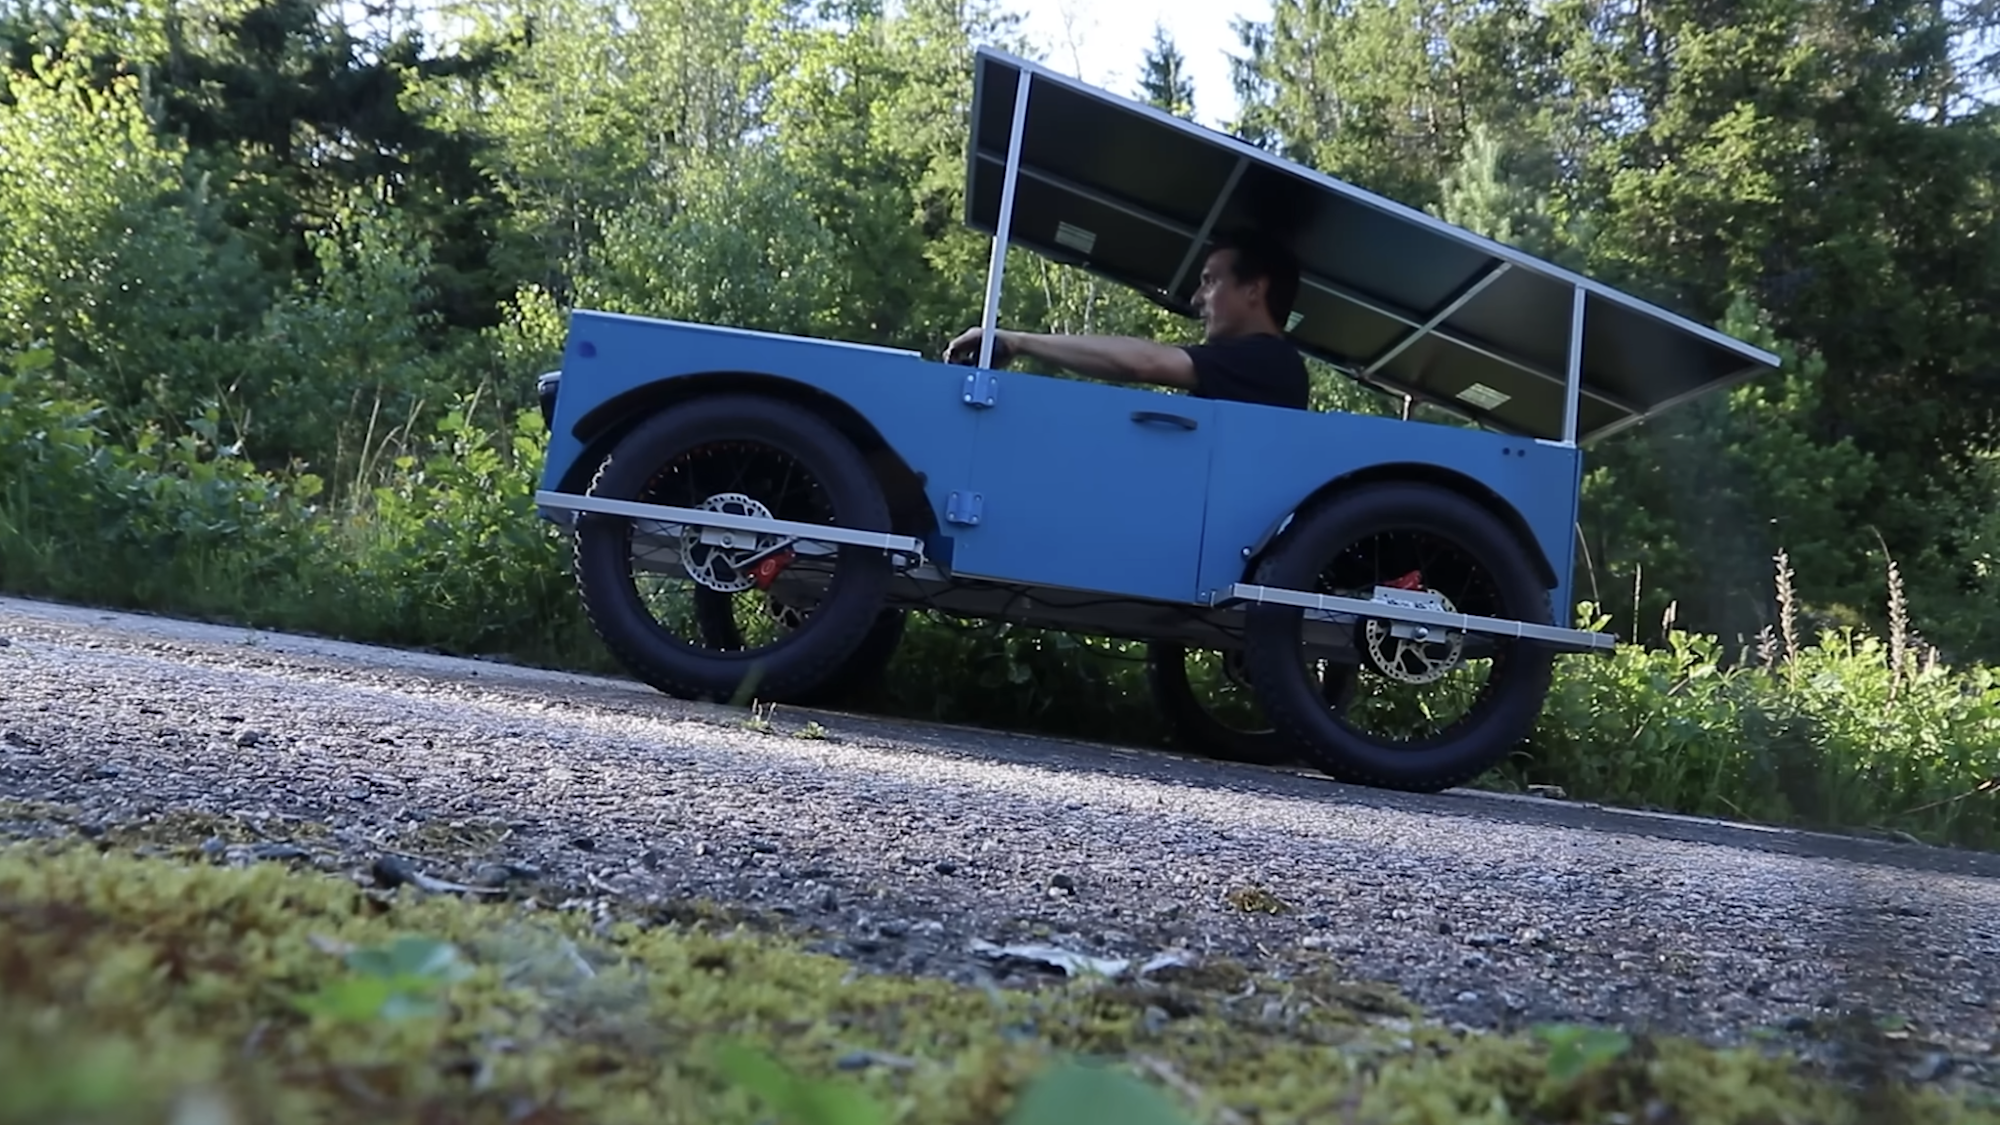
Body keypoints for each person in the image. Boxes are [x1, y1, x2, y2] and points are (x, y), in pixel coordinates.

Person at [943, 229, 1311, 410]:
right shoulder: (1255, 365)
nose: (1198, 299)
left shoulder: (1270, 362)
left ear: (1253, 290)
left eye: (1210, 282)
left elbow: (1143, 363)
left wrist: (1018, 341)